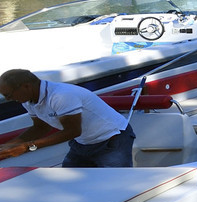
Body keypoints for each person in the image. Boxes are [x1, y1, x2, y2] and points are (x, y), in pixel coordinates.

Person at [0, 69, 135, 167]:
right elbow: (41, 127)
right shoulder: (28, 100)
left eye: (9, 95)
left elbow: (73, 131)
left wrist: (28, 147)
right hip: (82, 143)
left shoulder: (61, 96)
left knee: (118, 182)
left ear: (26, 86)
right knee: (71, 184)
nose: (8, 99)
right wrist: (10, 145)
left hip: (112, 139)